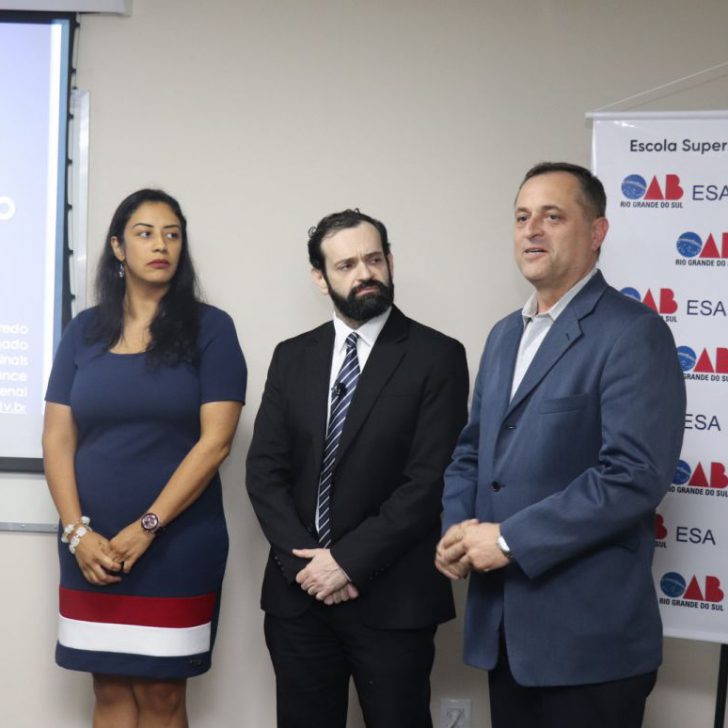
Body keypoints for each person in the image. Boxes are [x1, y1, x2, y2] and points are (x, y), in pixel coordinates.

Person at [436, 162, 686, 728]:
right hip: (505, 636)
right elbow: (472, 452)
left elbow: (633, 475)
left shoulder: (634, 332)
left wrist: (509, 539)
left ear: (597, 232)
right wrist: (457, 530)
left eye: (552, 216)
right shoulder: (504, 335)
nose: (532, 230)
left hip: (589, 644)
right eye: (522, 217)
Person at [246, 208, 469, 728]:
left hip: (393, 598)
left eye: (374, 259)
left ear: (390, 261)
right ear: (320, 278)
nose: (364, 273)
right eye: (346, 265)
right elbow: (264, 472)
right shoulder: (291, 357)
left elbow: (429, 480)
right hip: (299, 597)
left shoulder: (437, 355)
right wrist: (309, 567)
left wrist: (346, 562)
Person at [42, 189, 246, 728]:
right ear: (118, 247)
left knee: (161, 695)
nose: (161, 245)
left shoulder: (212, 328)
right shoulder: (84, 331)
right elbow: (57, 439)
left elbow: (216, 442)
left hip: (176, 541)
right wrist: (76, 533)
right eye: (145, 233)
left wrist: (148, 526)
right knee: (108, 688)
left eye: (172, 235)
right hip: (89, 544)